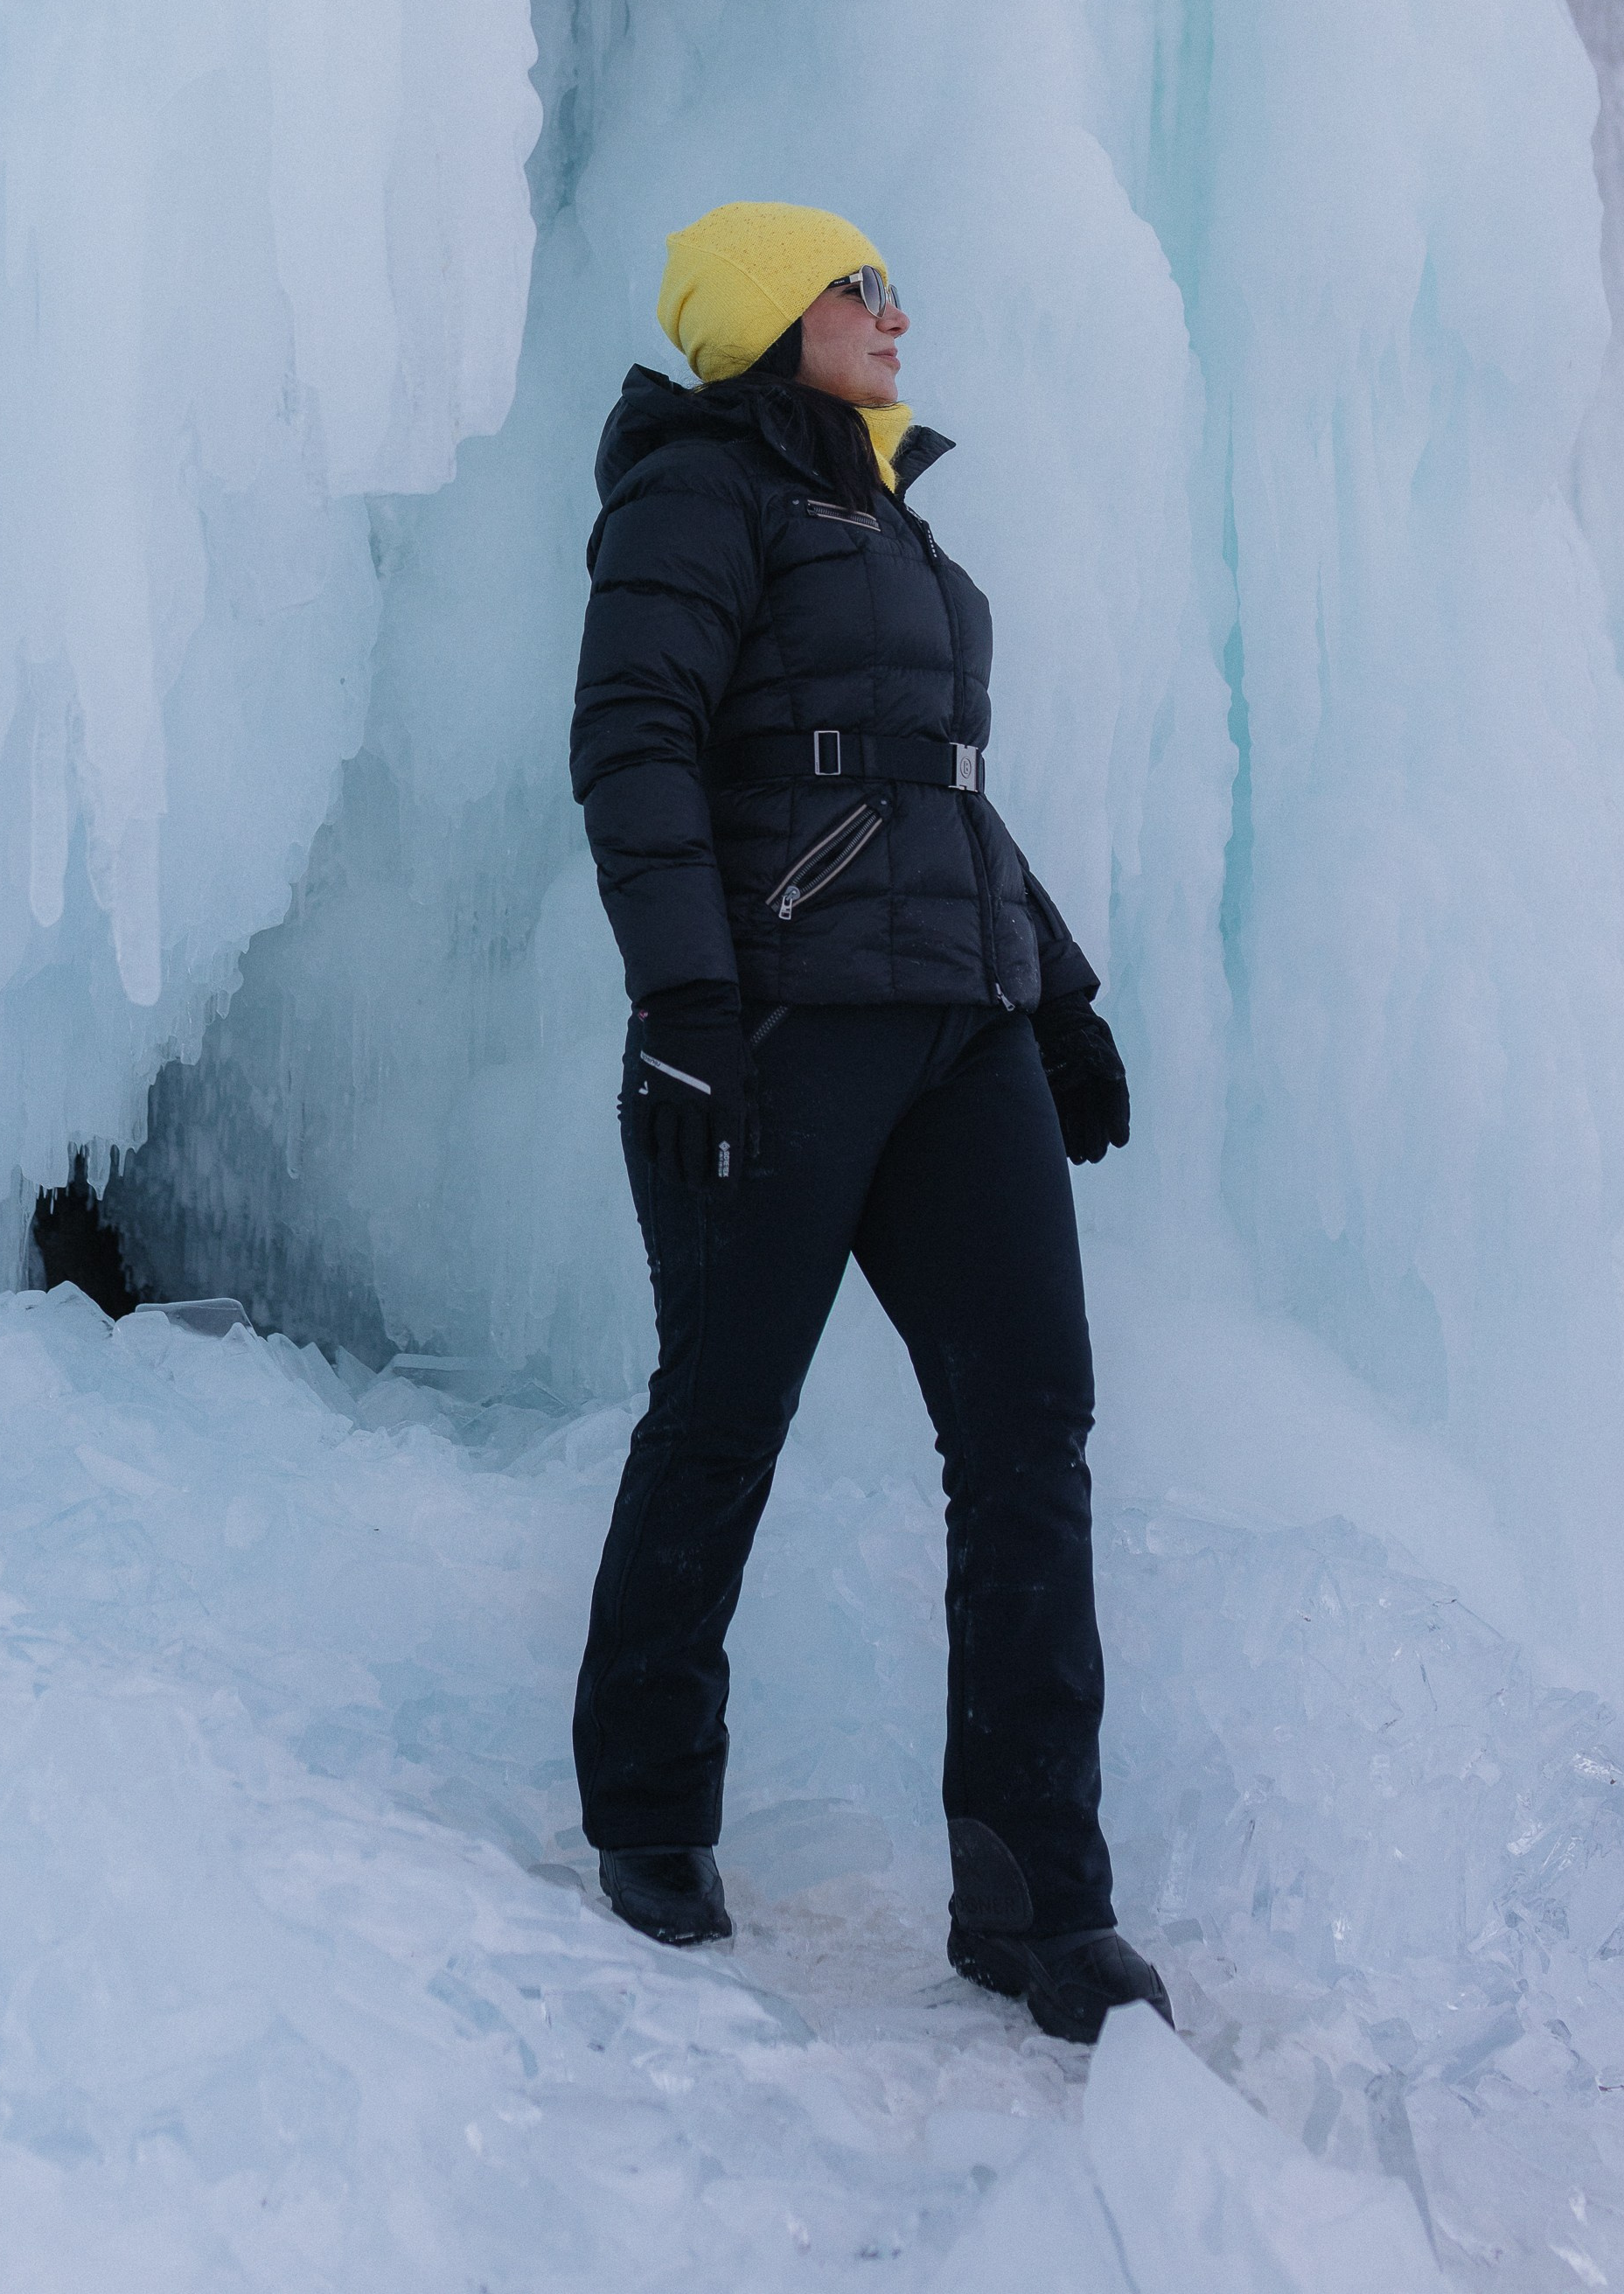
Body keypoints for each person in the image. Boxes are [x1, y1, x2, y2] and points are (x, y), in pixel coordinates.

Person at [567, 199, 1171, 2045]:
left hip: (957, 1031)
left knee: (1026, 1431)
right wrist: (683, 1003)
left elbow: (933, 792)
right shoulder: (695, 490)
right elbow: (632, 740)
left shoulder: (886, 511)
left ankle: (1038, 1903)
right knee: (720, 1419)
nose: (897, 316)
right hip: (776, 1027)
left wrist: (1053, 993)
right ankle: (648, 1820)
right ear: (773, 311)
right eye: (862, 287)